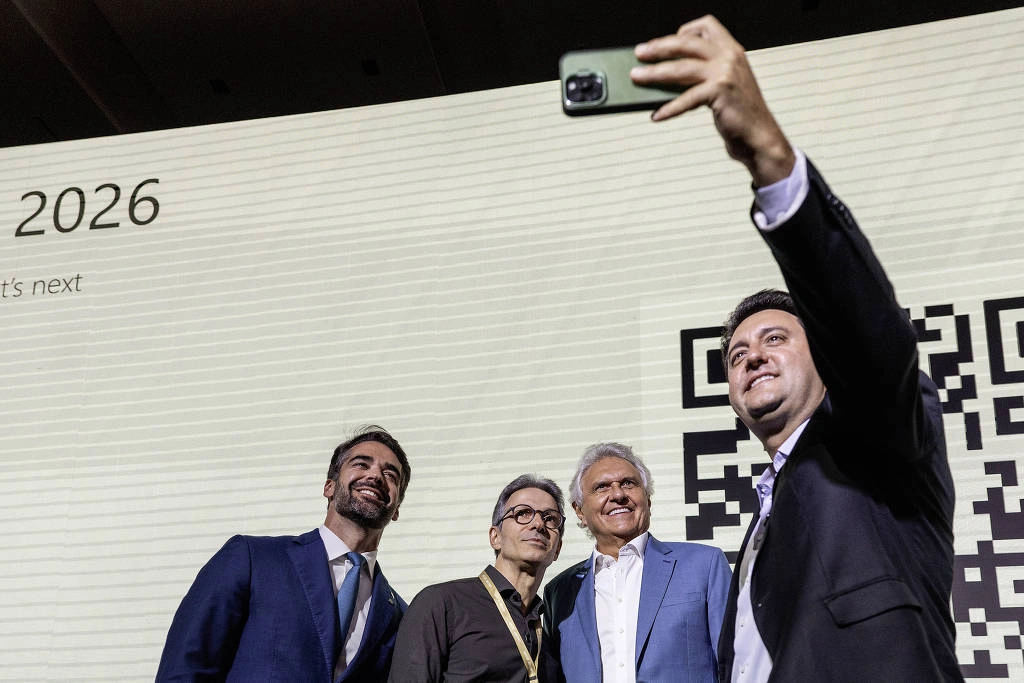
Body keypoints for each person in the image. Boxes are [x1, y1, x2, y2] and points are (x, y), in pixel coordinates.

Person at [629, 15, 961, 681]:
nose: (751, 354)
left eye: (776, 337)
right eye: (737, 352)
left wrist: (771, 161)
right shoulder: (760, 529)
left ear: (825, 360)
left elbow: (869, 336)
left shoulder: (873, 445)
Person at [156, 425, 411, 682]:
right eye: (361, 464)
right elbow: (186, 666)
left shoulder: (401, 615)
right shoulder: (252, 559)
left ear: (397, 508)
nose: (376, 476)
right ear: (329, 487)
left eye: (390, 474)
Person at [544, 442, 731, 682]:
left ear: (648, 499)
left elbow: (736, 665)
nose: (618, 495)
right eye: (601, 487)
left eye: (628, 483)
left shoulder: (705, 566)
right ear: (579, 510)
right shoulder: (559, 593)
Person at [387, 474, 565, 683]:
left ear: (557, 549)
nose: (538, 524)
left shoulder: (550, 638)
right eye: (523, 513)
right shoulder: (441, 603)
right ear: (495, 537)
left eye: (550, 518)